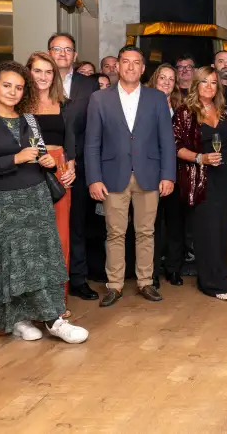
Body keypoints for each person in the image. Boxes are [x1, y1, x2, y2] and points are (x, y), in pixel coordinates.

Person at [0, 61, 88, 343]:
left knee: (42, 259)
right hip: (1, 202)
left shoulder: (29, 120)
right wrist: (14, 159)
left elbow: (39, 153)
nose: (13, 92)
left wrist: (46, 160)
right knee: (11, 262)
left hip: (35, 195)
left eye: (19, 87)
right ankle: (17, 319)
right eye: (7, 85)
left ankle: (53, 319)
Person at [85, 45, 177, 307]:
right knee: (114, 232)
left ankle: (146, 282)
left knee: (146, 232)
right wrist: (94, 178)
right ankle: (114, 285)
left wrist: (168, 175)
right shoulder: (100, 99)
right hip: (112, 176)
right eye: (126, 62)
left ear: (143, 68)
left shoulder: (156, 98)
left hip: (149, 175)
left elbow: (166, 142)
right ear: (118, 66)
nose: (130, 67)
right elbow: (92, 143)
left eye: (136, 63)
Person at [47, 33, 101, 302]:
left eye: (68, 49)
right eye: (57, 49)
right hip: (43, 167)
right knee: (47, 226)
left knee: (77, 224)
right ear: (48, 52)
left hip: (77, 166)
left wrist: (78, 161)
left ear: (75, 55)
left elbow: (93, 129)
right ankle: (48, 282)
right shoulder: (36, 84)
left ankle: (78, 279)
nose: (62, 54)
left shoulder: (89, 86)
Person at [174, 67, 227, 300]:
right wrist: (201, 158)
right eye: (204, 82)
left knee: (220, 229)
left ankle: (219, 276)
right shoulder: (185, 112)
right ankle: (210, 282)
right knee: (206, 230)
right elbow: (176, 146)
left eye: (213, 83)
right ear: (196, 85)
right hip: (201, 177)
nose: (209, 87)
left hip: (223, 176)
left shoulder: (222, 110)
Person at [27, 52, 76, 312]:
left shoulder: (64, 104)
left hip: (59, 172)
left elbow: (71, 143)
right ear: (28, 73)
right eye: (38, 71)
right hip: (27, 172)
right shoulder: (19, 105)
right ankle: (32, 306)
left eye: (48, 72)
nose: (43, 77)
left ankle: (57, 303)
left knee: (60, 239)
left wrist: (72, 167)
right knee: (32, 239)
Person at [147, 64, 185, 286]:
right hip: (150, 171)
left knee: (175, 223)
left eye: (171, 79)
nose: (167, 82)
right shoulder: (144, 102)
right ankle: (151, 273)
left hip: (177, 171)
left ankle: (173, 269)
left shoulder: (180, 106)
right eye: (163, 77)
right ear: (155, 79)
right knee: (151, 225)